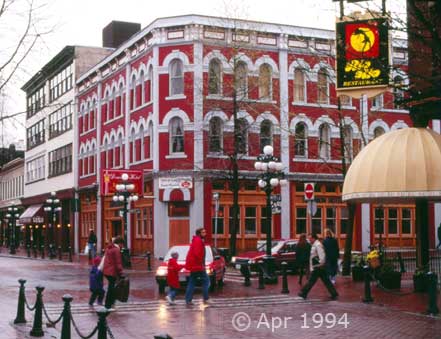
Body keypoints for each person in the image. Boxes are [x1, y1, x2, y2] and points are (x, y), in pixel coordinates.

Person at [298, 233, 338, 300]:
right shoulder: (315, 245)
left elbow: (322, 256)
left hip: (318, 267)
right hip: (318, 266)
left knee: (311, 281)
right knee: (326, 281)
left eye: (310, 238)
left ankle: (303, 292)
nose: (309, 240)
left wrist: (320, 264)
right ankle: (334, 293)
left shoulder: (318, 245)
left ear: (314, 238)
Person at [185, 227, 210, 306]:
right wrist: (201, 264)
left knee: (192, 282)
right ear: (199, 233)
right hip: (197, 265)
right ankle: (206, 298)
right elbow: (197, 254)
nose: (205, 234)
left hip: (195, 265)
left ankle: (188, 300)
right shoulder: (198, 241)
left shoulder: (197, 240)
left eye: (205, 232)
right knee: (206, 281)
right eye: (203, 232)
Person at [103, 236, 124, 311]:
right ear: (120, 243)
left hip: (107, 271)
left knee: (111, 288)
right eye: (122, 244)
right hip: (111, 271)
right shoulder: (116, 250)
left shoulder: (109, 248)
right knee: (111, 289)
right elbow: (118, 262)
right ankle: (108, 306)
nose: (122, 246)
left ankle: (110, 304)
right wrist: (121, 273)